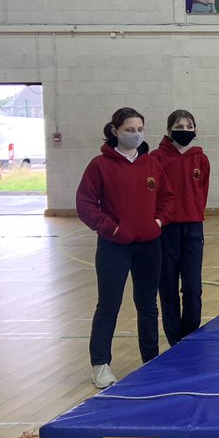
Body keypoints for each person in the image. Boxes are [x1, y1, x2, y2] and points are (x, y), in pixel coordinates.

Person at [75, 107, 174, 389]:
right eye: (130, 130)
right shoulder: (99, 165)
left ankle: (151, 360)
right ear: (115, 131)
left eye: (139, 129)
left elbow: (167, 199)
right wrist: (111, 228)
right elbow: (84, 204)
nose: (136, 134)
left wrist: (157, 222)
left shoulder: (152, 164)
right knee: (109, 304)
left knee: (147, 305)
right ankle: (100, 364)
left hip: (148, 245)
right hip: (113, 247)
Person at [150, 110, 210, 345]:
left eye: (189, 126)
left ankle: (191, 336)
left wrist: (194, 213)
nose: (184, 130)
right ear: (168, 130)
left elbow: (202, 191)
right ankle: (175, 341)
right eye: (179, 125)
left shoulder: (201, 159)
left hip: (193, 229)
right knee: (168, 287)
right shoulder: (156, 158)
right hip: (166, 230)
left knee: (193, 287)